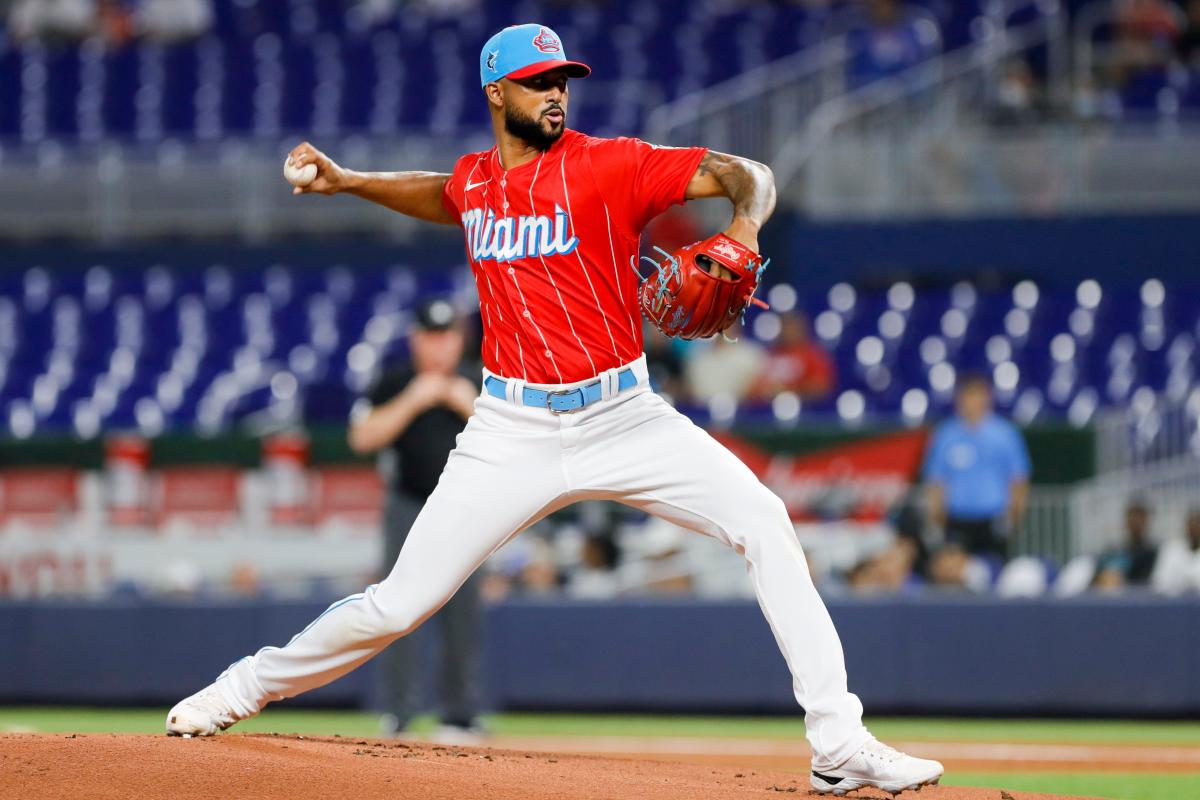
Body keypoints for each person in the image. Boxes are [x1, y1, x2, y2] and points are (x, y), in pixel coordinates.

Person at [165, 23, 942, 795]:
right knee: (396, 604)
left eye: (563, 79)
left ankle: (837, 742)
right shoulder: (476, 182)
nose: (557, 93)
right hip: (512, 430)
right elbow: (443, 195)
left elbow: (751, 172)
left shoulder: (613, 164)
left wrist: (742, 224)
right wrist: (349, 180)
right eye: (540, 82)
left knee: (765, 521)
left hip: (626, 416)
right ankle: (241, 689)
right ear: (496, 93)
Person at [347, 298, 483, 740]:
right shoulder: (394, 381)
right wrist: (414, 398)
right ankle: (399, 713)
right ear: (415, 339)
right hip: (407, 503)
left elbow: (516, 439)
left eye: (446, 336)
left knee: (463, 612)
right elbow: (362, 437)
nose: (439, 345)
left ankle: (459, 715)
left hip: (464, 508)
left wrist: (467, 404)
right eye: (430, 336)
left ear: (458, 339)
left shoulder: (478, 382)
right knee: (397, 606)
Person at [924, 373, 1030, 560]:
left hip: (993, 519)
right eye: (967, 397)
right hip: (957, 520)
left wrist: (1014, 517)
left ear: (987, 398)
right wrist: (935, 520)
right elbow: (936, 480)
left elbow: (1018, 479)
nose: (972, 402)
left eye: (977, 396)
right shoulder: (945, 435)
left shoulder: (1005, 434)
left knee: (994, 573)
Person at [748, 310, 836, 402]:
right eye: (785, 326)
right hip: (767, 409)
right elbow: (755, 388)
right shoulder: (771, 354)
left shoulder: (814, 355)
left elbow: (820, 387)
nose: (789, 331)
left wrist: (788, 390)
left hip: (803, 410)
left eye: (792, 327)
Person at [1093, 499, 1160, 589]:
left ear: (1146, 520)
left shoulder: (1152, 552)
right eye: (1131, 517)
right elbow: (1095, 577)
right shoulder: (1112, 549)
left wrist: (1120, 580)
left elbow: (1146, 582)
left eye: (1139, 517)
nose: (1135, 522)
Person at [1151, 507, 1200, 594]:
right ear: (1186, 527)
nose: (1194, 529)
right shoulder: (1171, 550)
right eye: (1192, 525)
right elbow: (1158, 582)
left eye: (1197, 525)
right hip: (1174, 604)